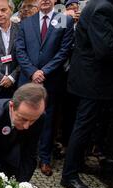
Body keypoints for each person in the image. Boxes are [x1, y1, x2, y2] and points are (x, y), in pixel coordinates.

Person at [61, 0, 113, 188]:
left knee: (89, 127)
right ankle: (69, 174)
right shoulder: (103, 8)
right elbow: (105, 47)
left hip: (100, 81)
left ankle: (76, 165)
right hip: (92, 81)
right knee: (83, 126)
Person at [15, 0, 74, 177]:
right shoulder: (25, 23)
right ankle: (22, 154)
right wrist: (33, 72)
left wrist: (44, 72)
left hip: (51, 80)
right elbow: (20, 50)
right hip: (27, 79)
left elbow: (64, 51)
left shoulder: (64, 20)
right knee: (23, 117)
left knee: (48, 121)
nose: (45, 0)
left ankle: (45, 158)